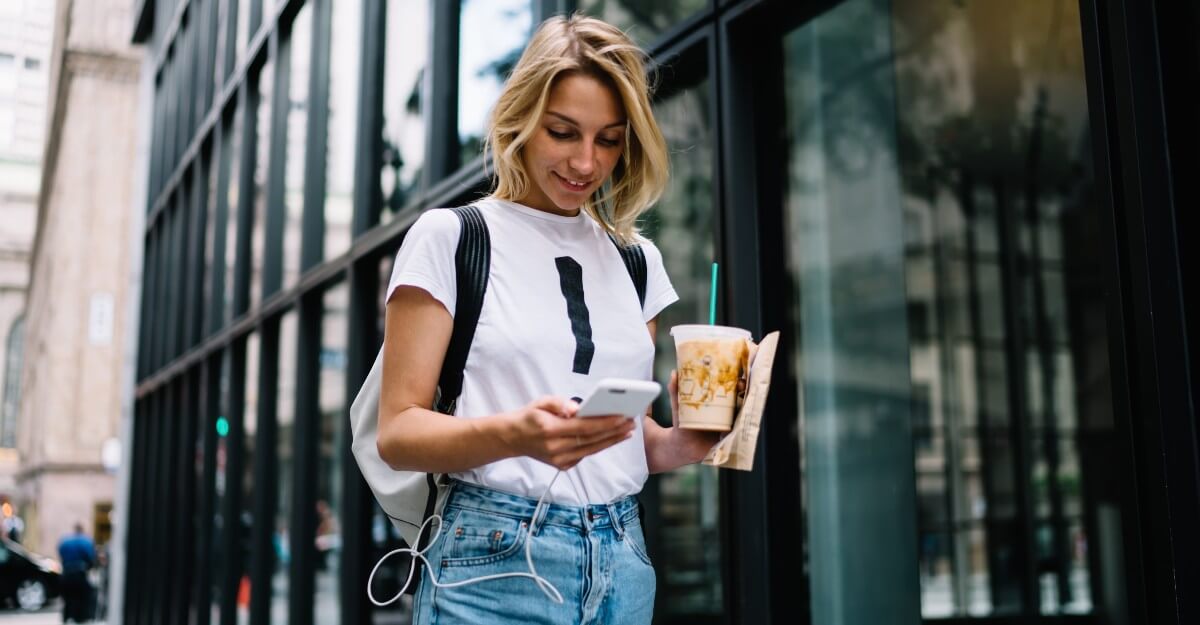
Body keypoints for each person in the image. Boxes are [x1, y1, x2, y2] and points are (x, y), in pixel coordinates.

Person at [376, 13, 719, 625]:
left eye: (609, 139)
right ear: (523, 121)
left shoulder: (637, 261)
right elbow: (397, 433)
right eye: (563, 132)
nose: (586, 163)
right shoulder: (452, 238)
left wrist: (677, 444)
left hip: (623, 557)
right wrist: (518, 435)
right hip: (493, 560)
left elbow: (623, 435)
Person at [57, 522, 97, 623]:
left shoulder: (65, 540)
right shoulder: (86, 541)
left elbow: (61, 554)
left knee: (68, 599)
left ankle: (68, 618)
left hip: (66, 574)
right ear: (82, 529)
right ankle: (82, 618)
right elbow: (91, 558)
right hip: (80, 574)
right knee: (84, 598)